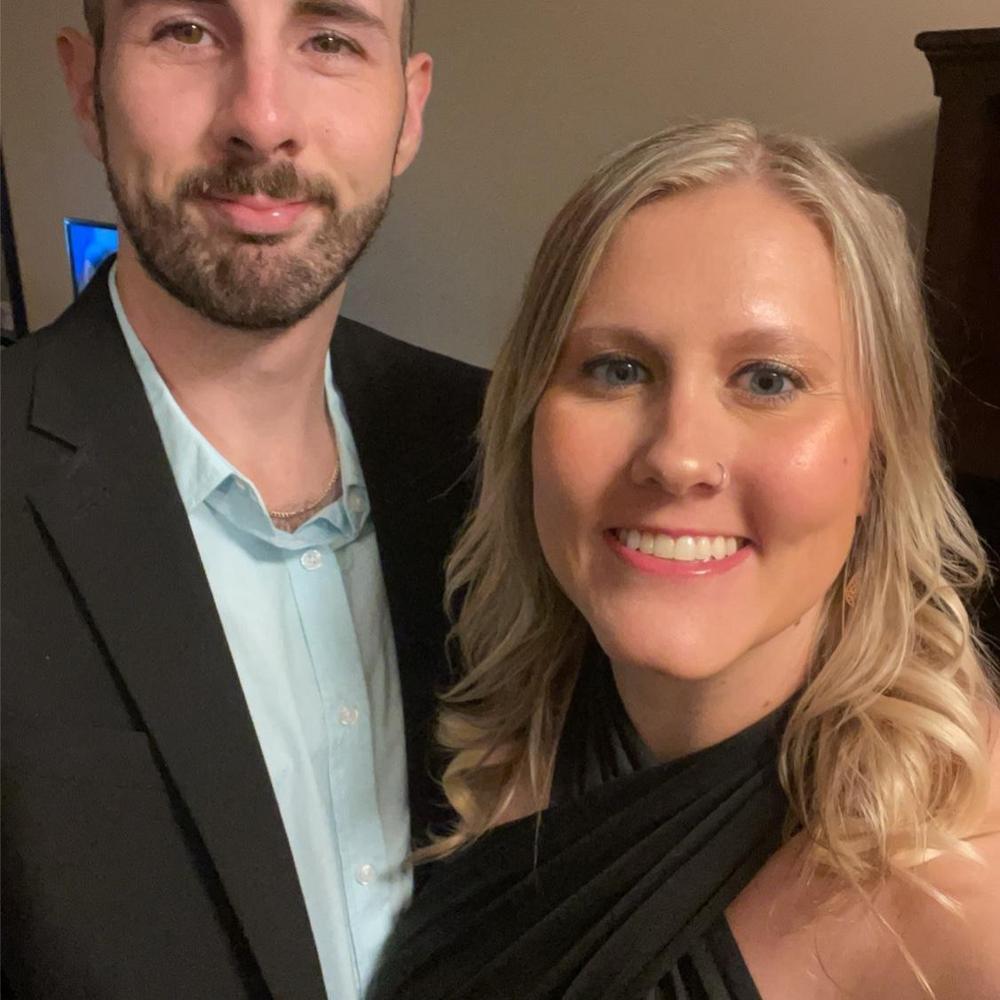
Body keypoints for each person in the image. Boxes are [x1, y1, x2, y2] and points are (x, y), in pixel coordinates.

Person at [368, 121, 1000, 999]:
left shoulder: (964, 917)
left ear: (878, 456)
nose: (677, 456)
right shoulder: (486, 718)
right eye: (617, 369)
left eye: (768, 379)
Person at [1, 2, 485, 998]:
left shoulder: (498, 458)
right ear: (87, 90)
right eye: (187, 30)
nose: (261, 121)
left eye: (329, 39)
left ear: (408, 111)